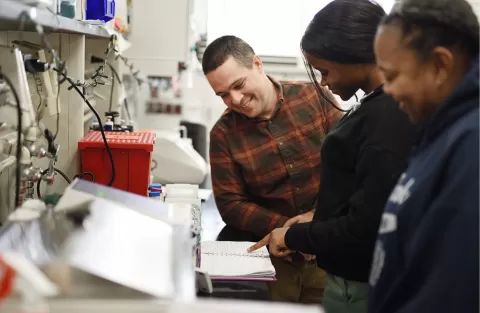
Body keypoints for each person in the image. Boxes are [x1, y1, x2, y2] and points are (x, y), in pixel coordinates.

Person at [248, 1, 415, 312]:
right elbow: (365, 194)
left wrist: (295, 235)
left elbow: (366, 228)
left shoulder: (388, 117)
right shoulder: (376, 106)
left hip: (361, 287)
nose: (323, 81)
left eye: (325, 70)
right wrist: (318, 217)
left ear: (354, 55)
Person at [204, 35, 342, 303]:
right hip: (274, 263)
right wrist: (288, 230)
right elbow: (231, 203)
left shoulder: (315, 98)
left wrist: (316, 218)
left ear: (257, 64)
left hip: (331, 253)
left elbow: (350, 168)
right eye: (223, 95)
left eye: (238, 85)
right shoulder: (222, 134)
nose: (235, 100)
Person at [369, 0, 479, 312]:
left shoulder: (472, 144)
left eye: (392, 77)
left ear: (440, 65)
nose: (387, 90)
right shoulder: (441, 131)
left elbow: (453, 291)